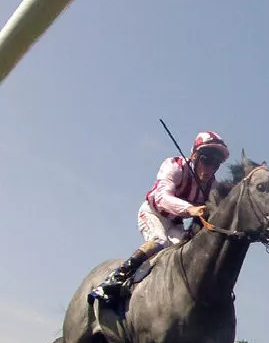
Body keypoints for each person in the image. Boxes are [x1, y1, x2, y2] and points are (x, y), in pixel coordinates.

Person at [90, 131, 230, 306]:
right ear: (194, 155)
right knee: (159, 240)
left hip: (175, 223)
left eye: (216, 163)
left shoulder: (213, 186)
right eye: (207, 160)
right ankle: (115, 279)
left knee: (183, 257)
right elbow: (161, 198)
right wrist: (190, 209)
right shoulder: (174, 166)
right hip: (153, 213)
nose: (210, 168)